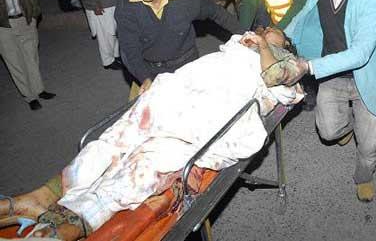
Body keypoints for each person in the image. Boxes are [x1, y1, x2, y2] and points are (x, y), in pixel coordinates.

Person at [0, 26, 305, 241]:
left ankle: (64, 226)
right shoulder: (236, 47)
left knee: (147, 163)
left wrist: (265, 46)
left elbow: (284, 85)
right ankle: (44, 194)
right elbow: (202, 67)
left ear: (284, 48)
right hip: (177, 91)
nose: (264, 32)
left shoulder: (283, 64)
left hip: (211, 109)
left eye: (273, 33)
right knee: (112, 142)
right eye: (263, 30)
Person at [285, 0, 376, 202]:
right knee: (328, 131)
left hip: (365, 78)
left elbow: (360, 54)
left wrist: (308, 66)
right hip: (332, 74)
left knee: (369, 143)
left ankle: (364, 176)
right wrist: (281, 38)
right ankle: (345, 128)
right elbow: (303, 17)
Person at [116, 0, 245, 83]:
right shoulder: (127, 7)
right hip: (152, 71)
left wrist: (245, 34)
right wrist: (145, 78)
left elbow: (217, 13)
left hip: (187, 65)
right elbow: (129, 50)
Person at [0, 0, 56, 110]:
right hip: (3, 26)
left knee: (31, 56)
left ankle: (39, 89)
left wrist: (34, 14)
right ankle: (29, 96)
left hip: (24, 18)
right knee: (14, 62)